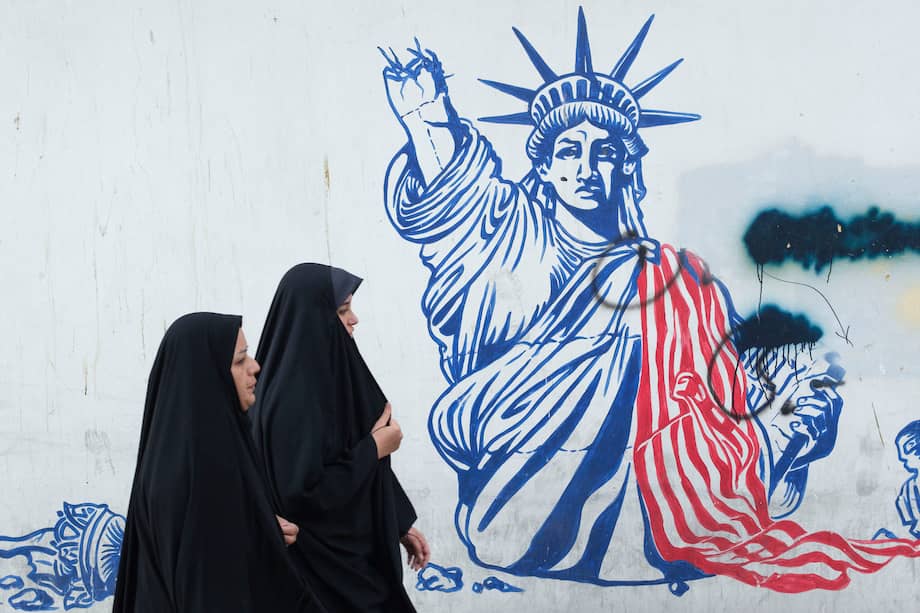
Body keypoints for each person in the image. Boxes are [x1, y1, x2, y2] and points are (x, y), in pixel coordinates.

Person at [379, 7, 920, 592]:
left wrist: (786, 396)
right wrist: (428, 120)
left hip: (665, 476)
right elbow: (454, 199)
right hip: (514, 472)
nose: (585, 167)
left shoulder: (674, 275)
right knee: (639, 336)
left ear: (627, 167)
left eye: (604, 151)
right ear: (542, 164)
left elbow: (723, 379)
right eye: (568, 150)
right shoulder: (508, 233)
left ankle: (746, 470)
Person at [250, 264, 429, 613]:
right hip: (320, 575)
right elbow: (303, 492)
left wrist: (398, 521)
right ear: (314, 317)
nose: (354, 319)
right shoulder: (294, 398)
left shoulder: (330, 377)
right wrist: (376, 447)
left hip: (352, 564)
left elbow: (350, 451)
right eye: (343, 310)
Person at [112, 313, 319, 612]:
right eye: (240, 361)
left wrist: (257, 527)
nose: (255, 367)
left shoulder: (186, 457)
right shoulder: (203, 476)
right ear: (205, 375)